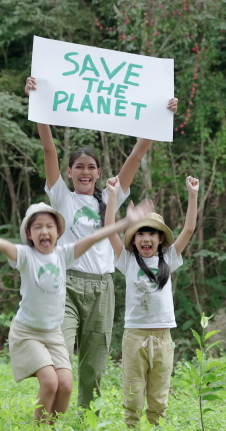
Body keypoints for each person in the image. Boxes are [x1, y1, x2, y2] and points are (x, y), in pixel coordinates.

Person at [25, 75, 178, 408]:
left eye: (91, 167)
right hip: (65, 284)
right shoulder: (60, 197)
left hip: (102, 288)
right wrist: (38, 105)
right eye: (78, 166)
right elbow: (48, 148)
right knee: (60, 354)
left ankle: (84, 419)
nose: (85, 171)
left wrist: (160, 117)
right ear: (69, 172)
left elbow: (135, 158)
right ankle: (51, 418)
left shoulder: (109, 201)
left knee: (93, 365)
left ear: (97, 173)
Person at [0, 200, 152, 423]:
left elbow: (94, 237)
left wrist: (127, 222)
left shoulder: (63, 255)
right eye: (37, 227)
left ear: (58, 232)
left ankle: (52, 429)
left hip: (53, 334)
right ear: (29, 234)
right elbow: (0, 244)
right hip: (27, 332)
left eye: (49, 226)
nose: (44, 231)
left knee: (66, 385)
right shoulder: (25, 255)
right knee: (50, 382)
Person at [104, 176, 199, 427]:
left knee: (158, 397)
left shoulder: (169, 258)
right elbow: (110, 228)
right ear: (134, 239)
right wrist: (113, 196)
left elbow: (188, 229)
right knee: (133, 394)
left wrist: (192, 194)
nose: (146, 238)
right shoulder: (127, 260)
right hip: (135, 336)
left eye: (151, 234)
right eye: (140, 233)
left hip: (163, 337)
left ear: (160, 239)